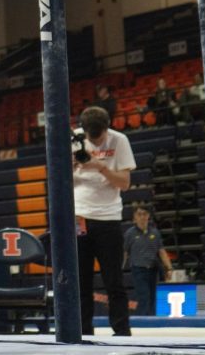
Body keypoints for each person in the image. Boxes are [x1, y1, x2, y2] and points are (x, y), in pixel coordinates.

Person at [72, 106, 134, 336]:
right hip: (80, 216)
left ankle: (122, 331)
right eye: (92, 139)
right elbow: (60, 181)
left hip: (108, 217)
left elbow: (125, 183)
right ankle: (82, 331)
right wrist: (72, 163)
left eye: (100, 138)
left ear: (107, 128)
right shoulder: (74, 138)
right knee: (81, 281)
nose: (96, 143)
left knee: (114, 280)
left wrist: (101, 167)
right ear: (84, 131)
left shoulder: (120, 141)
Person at [122, 205, 171, 317]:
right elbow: (124, 252)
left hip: (153, 269)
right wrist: (120, 269)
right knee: (144, 296)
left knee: (153, 297)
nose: (142, 217)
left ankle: (152, 320)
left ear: (148, 216)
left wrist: (169, 267)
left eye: (144, 214)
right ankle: (142, 321)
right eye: (139, 214)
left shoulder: (155, 233)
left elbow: (161, 251)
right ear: (134, 217)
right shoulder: (130, 234)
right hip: (138, 269)